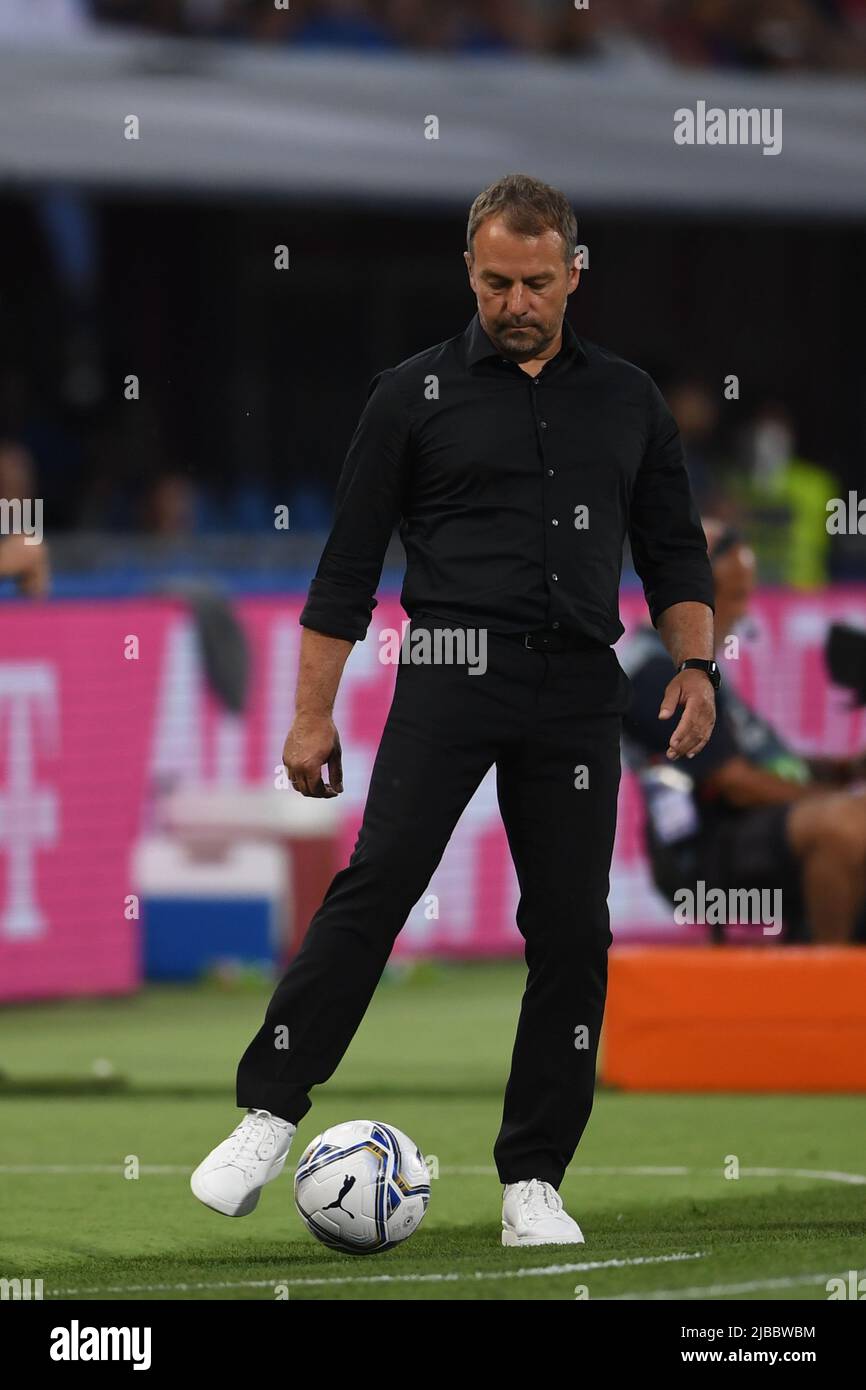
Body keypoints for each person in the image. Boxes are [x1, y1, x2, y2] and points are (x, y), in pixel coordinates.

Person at [191, 173, 716, 1246]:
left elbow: (673, 549)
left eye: (534, 281)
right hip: (447, 667)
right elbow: (344, 573)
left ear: (573, 272)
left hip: (578, 686)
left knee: (570, 929)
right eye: (492, 282)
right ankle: (266, 1111)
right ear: (465, 270)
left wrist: (696, 665)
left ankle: (533, 1180)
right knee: (376, 883)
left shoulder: (626, 399)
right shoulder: (408, 395)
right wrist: (309, 716)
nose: (513, 301)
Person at [622, 522, 866, 944]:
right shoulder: (653, 673)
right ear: (692, 593)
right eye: (735, 596)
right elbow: (733, 782)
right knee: (845, 826)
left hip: (764, 824)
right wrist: (833, 800)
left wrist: (844, 769)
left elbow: (764, 763)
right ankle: (827, 991)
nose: (744, 611)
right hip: (711, 846)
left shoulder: (694, 669)